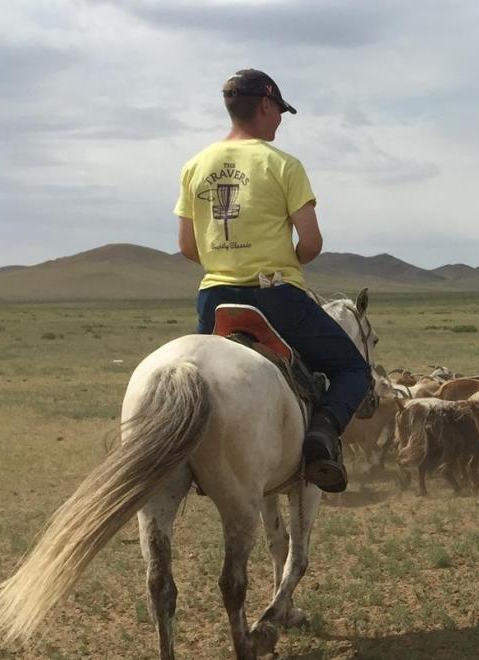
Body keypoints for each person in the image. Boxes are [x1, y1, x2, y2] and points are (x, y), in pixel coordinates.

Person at [173, 69, 367, 493]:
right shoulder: (283, 165)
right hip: (275, 297)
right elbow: (312, 242)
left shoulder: (194, 166)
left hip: (213, 301)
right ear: (265, 104)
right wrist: (286, 264)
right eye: (279, 110)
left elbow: (188, 246)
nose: (279, 120)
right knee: (353, 367)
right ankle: (320, 435)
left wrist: (227, 261)